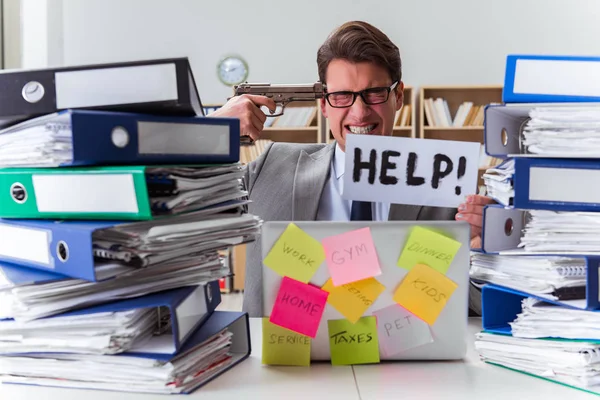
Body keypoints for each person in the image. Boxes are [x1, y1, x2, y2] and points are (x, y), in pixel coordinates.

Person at [210, 21, 495, 317]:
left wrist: (485, 254)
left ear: (398, 97)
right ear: (323, 104)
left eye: (374, 93)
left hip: (401, 356)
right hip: (288, 357)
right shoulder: (272, 166)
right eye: (342, 96)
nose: (359, 113)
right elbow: (177, 208)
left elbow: (474, 309)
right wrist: (212, 132)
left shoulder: (444, 188)